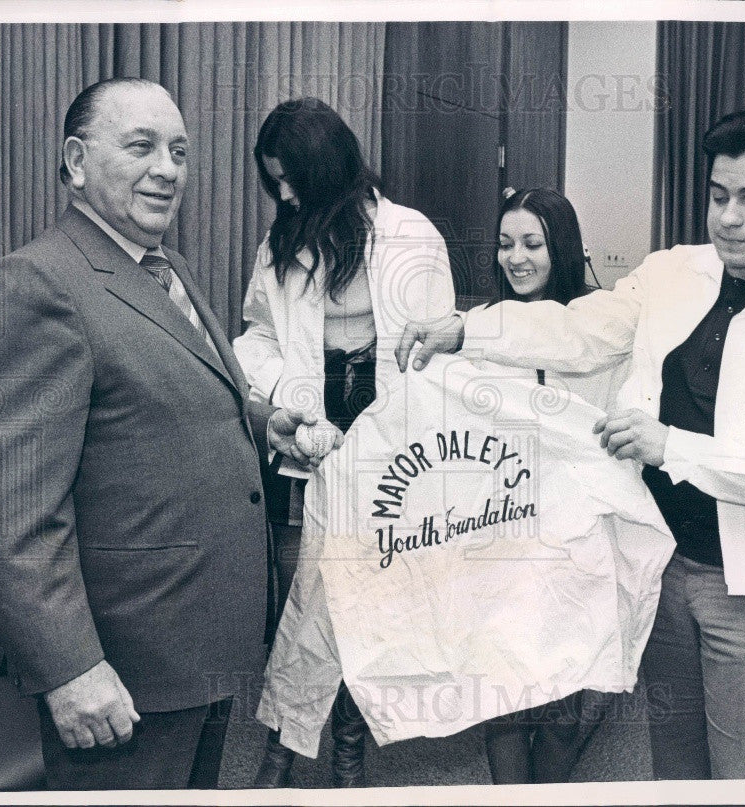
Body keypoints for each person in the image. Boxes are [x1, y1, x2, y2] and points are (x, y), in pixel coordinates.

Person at [395, 106, 745, 779]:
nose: (728, 218)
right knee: (676, 769)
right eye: (718, 196)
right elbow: (580, 330)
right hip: (661, 566)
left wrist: (672, 446)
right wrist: (466, 331)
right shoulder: (672, 273)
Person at [0, 78, 330, 790]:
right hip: (121, 676)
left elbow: (166, 396)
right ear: (74, 161)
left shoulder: (164, 266)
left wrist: (264, 419)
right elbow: (12, 516)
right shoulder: (36, 285)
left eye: (180, 151)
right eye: (142, 146)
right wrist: (70, 668)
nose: (169, 168)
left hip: (198, 655)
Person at [232, 97, 455, 787]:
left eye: (293, 178)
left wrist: (386, 437)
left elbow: (439, 355)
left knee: (361, 603)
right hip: (314, 441)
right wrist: (295, 411)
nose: (285, 195)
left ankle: (319, 747)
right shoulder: (283, 243)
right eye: (274, 183)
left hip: (390, 443)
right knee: (316, 590)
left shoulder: (411, 237)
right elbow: (258, 337)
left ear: (330, 169)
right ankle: (308, 747)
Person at [479, 186, 622, 783]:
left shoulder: (601, 326)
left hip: (580, 536)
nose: (517, 258)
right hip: (501, 536)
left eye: (533, 244)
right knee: (504, 690)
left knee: (572, 695)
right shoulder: (480, 328)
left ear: (561, 248)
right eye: (506, 243)